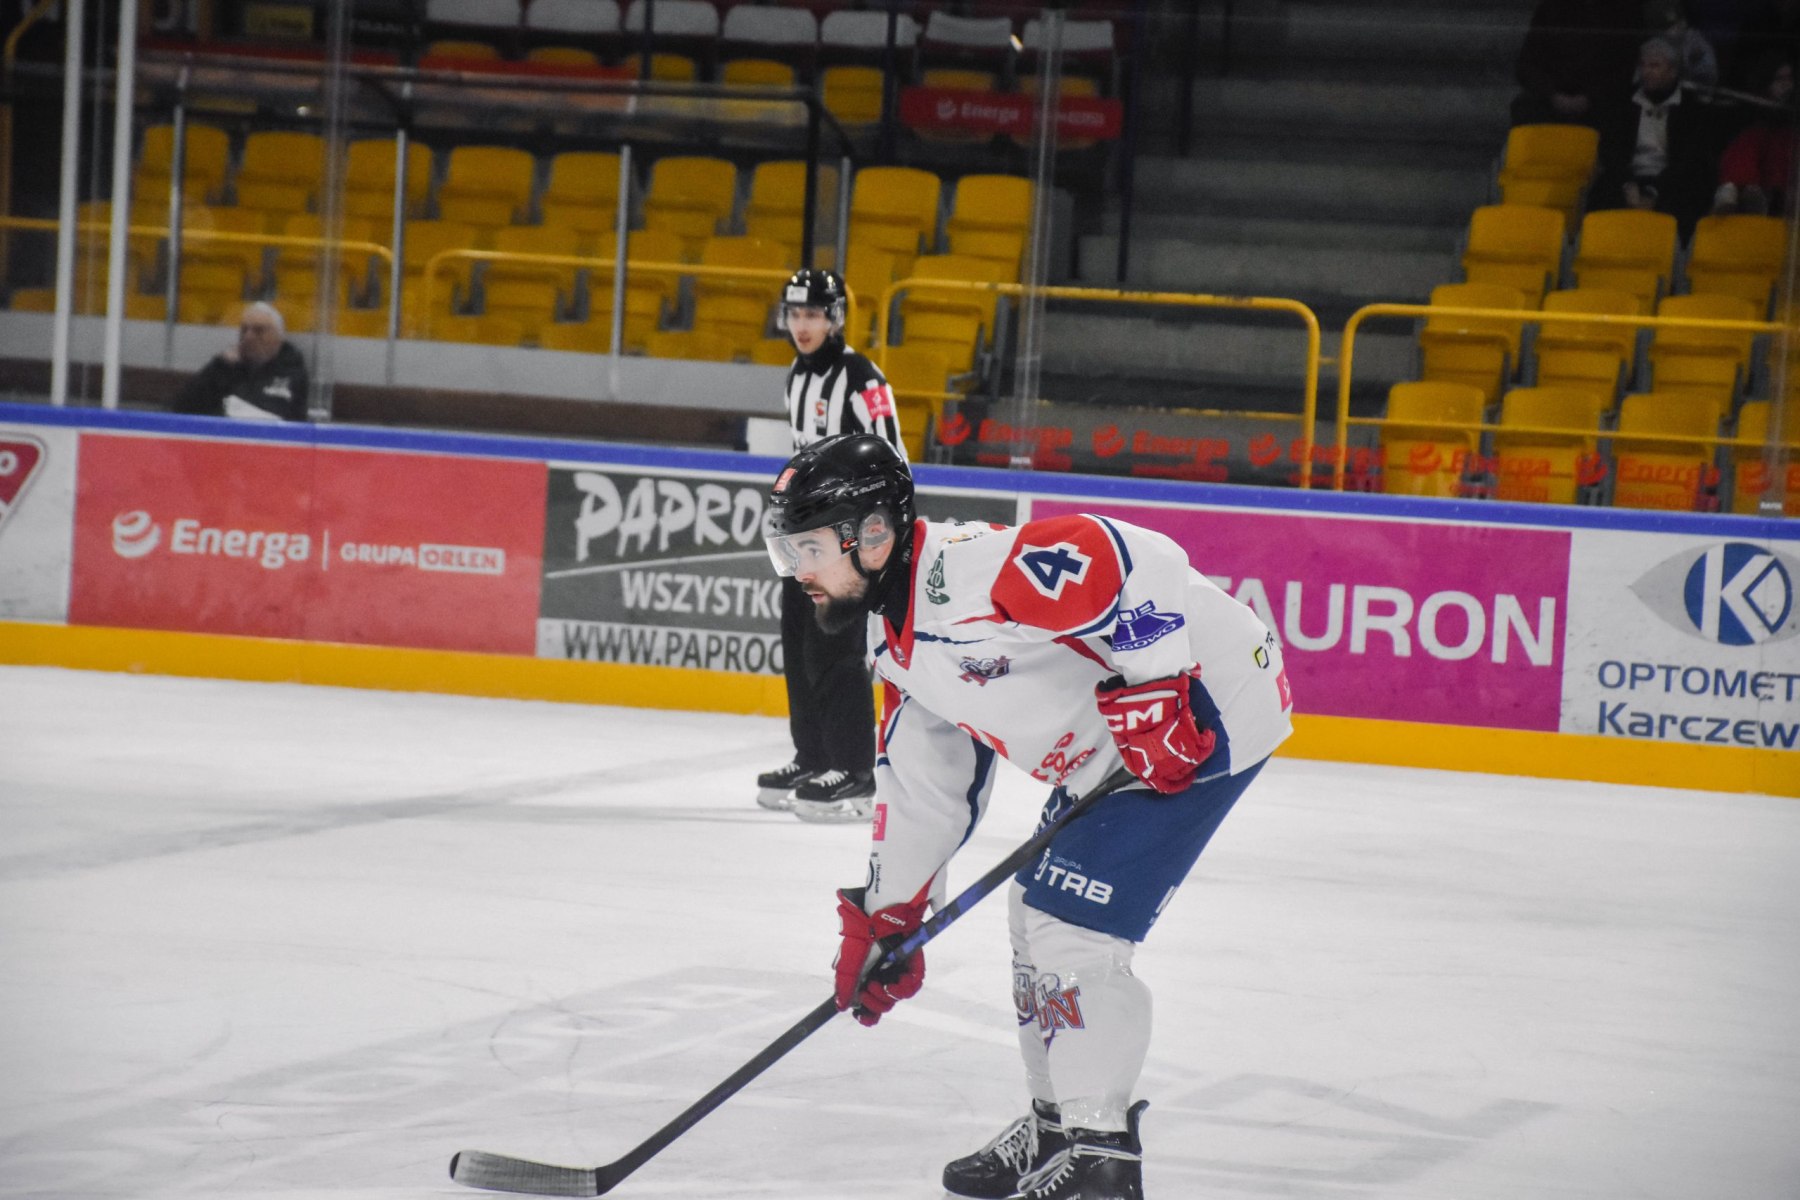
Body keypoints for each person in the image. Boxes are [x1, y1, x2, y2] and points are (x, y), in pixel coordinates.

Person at [759, 435, 1294, 1199]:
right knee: (1031, 915)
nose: (798, 571)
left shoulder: (965, 573)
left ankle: (1103, 1159)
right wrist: (891, 915)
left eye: (808, 549)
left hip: (1207, 708)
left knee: (1069, 927)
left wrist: (1158, 686)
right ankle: (1058, 1125)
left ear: (873, 535)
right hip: (1111, 746)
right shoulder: (895, 640)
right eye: (788, 551)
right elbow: (926, 785)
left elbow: (1133, 557)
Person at [753, 269, 906, 821]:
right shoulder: (797, 376)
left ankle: (855, 770)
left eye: (814, 314)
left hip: (848, 541)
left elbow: (892, 458)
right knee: (799, 644)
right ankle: (813, 756)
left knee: (835, 651)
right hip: (804, 538)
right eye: (795, 314)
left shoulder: (861, 378)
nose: (803, 325)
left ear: (835, 318)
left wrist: (875, 541)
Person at [1592, 35, 1728, 236]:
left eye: (1654, 66)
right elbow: (1611, 151)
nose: (1646, 71)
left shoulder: (1691, 110)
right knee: (1603, 199)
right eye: (1643, 65)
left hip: (1672, 183)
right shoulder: (1622, 103)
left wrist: (1654, 192)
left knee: (1686, 201)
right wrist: (1628, 184)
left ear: (1673, 71)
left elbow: (1689, 160)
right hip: (1628, 179)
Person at [1511, 0, 1646, 125]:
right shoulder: (1551, 8)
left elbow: (1626, 67)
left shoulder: (1623, 11)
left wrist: (1591, 97)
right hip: (1551, 96)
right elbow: (1527, 64)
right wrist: (1552, 94)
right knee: (1525, 107)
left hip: (1603, 99)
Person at [172, 301, 309, 422]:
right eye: (244, 330)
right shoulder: (225, 368)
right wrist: (218, 367)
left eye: (259, 330)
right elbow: (182, 407)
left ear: (278, 337)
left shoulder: (292, 372)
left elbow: (281, 413)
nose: (248, 337)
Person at [1712, 52, 1796, 214]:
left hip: (1782, 176)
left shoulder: (1792, 111)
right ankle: (1738, 190)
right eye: (1780, 79)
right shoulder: (1750, 108)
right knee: (1749, 140)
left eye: (1789, 78)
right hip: (1757, 175)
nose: (1786, 84)